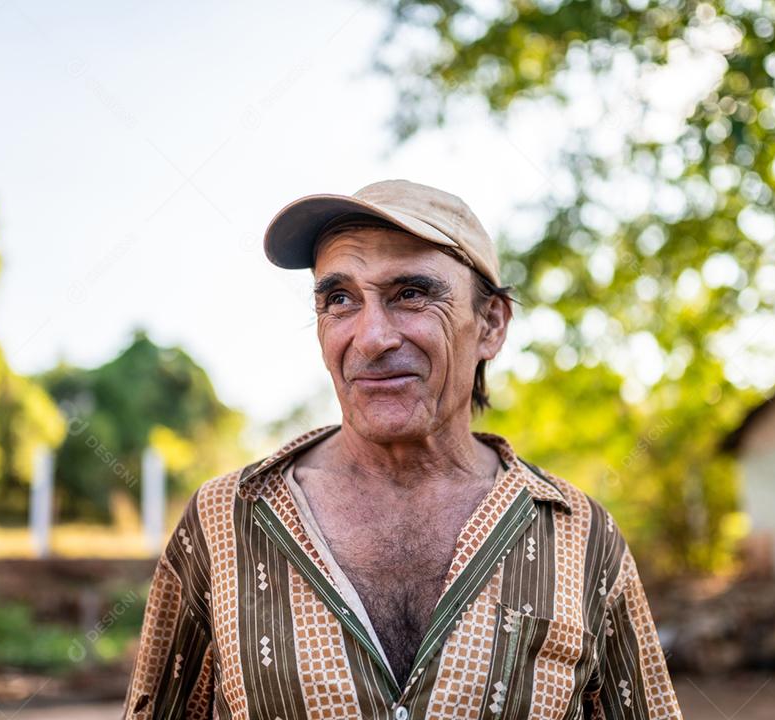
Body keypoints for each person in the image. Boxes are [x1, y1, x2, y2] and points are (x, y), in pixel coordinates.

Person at [121, 179, 683, 719]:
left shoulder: (581, 536)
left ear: (490, 323)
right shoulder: (226, 520)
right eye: (339, 298)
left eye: (410, 294)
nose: (371, 337)